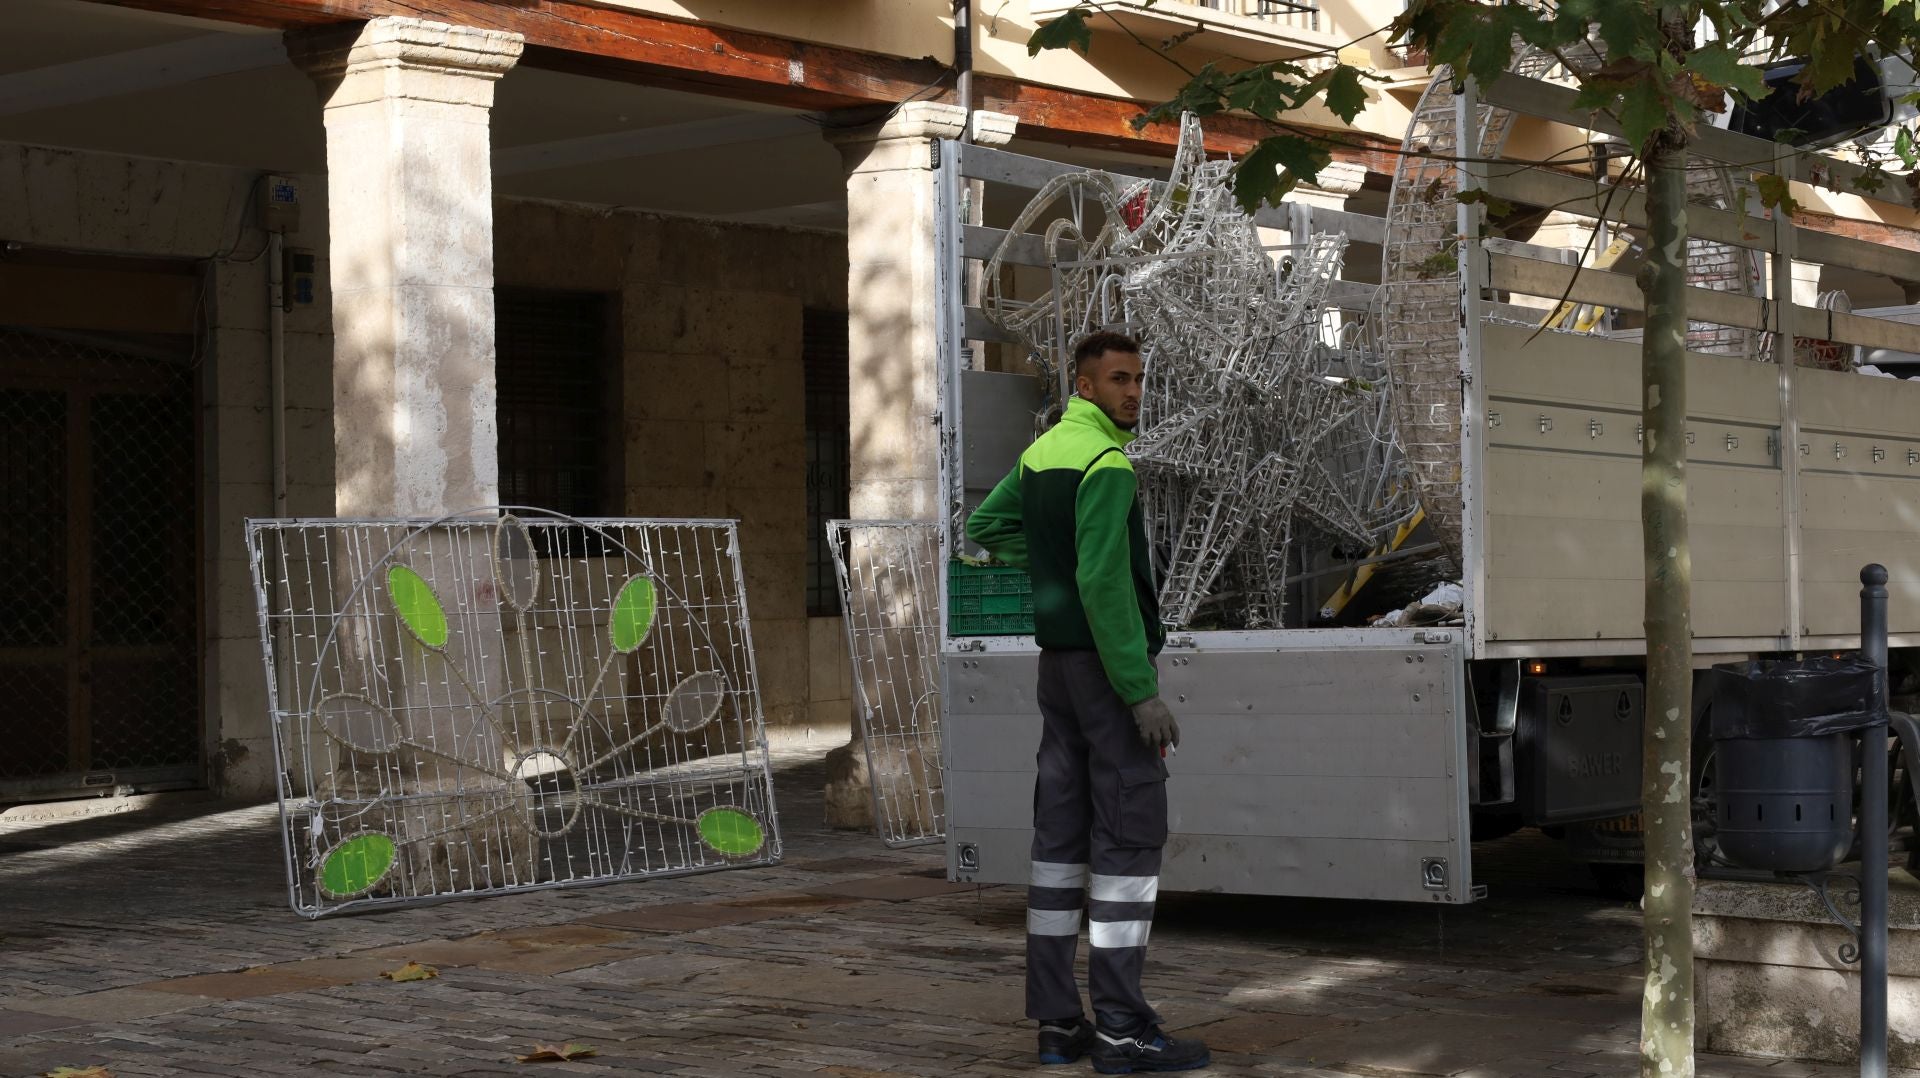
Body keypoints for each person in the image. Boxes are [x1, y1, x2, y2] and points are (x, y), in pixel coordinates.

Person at [965, 331, 1210, 1074]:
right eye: (1118, 380)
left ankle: (1057, 1026)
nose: (1133, 392)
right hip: (1104, 673)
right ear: (1083, 385)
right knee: (1130, 838)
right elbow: (1105, 585)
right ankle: (1123, 1029)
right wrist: (1140, 693)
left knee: (1059, 844)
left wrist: (1053, 571)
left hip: (1056, 672)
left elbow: (985, 529)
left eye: (1138, 379)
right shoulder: (1105, 464)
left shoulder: (1043, 454)